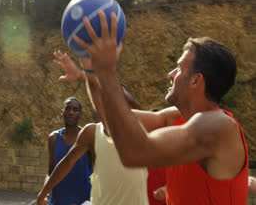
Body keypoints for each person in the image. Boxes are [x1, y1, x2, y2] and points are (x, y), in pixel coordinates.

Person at [73, 11, 249, 204]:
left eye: (179, 68)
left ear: (196, 81)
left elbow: (135, 152)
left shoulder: (219, 127)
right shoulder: (175, 118)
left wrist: (107, 71)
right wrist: (92, 71)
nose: (170, 74)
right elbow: (111, 123)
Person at [37, 51, 163, 205]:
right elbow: (65, 163)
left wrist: (87, 75)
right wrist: (43, 193)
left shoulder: (138, 132)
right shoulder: (91, 132)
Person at [44, 97, 92, 205]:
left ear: (80, 114)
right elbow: (50, 171)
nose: (71, 112)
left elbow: (96, 171)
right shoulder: (54, 138)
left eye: (75, 110)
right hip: (57, 201)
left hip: (83, 201)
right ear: (62, 112)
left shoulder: (88, 139)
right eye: (68, 108)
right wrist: (45, 193)